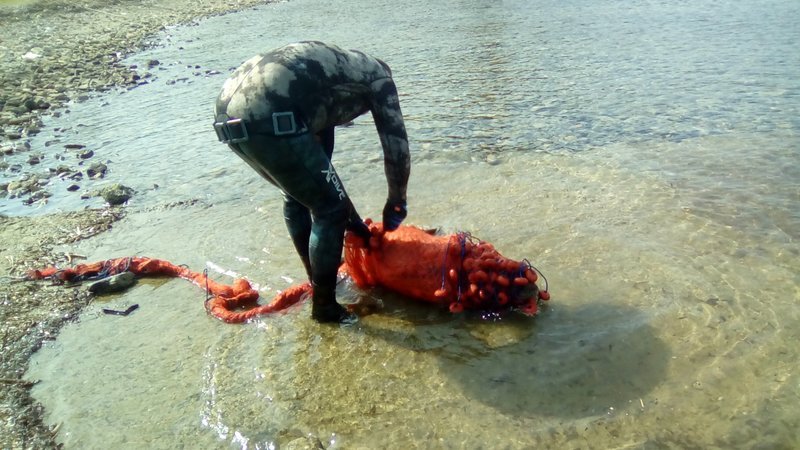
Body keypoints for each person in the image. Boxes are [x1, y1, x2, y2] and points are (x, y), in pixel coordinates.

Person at [213, 41, 411, 323]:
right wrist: (397, 201)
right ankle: (325, 308)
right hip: (268, 107)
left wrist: (355, 227)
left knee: (297, 196)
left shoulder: (329, 82)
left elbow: (325, 179)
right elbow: (396, 148)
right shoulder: (381, 81)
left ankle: (318, 280)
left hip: (228, 111)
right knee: (328, 211)